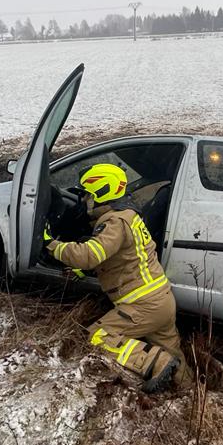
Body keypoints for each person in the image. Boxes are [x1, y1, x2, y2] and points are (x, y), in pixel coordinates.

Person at [44, 163, 187, 393]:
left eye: (89, 195)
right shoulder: (129, 216)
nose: (85, 200)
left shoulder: (114, 222)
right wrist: (84, 272)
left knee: (97, 337)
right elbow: (119, 258)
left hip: (142, 304)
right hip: (162, 300)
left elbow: (89, 255)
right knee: (174, 355)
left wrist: (52, 245)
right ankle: (189, 392)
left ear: (102, 193)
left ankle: (154, 362)